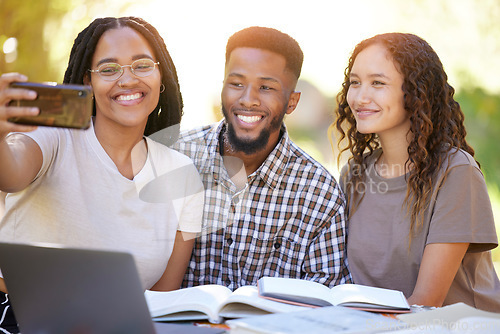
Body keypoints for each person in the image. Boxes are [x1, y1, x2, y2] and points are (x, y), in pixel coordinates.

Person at [0, 16, 203, 332]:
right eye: (109, 69)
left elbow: (163, 304)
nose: (128, 79)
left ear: (160, 75)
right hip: (18, 318)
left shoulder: (181, 175)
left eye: (142, 65)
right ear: (86, 83)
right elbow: (10, 173)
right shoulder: (53, 136)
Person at [172, 26, 351, 290]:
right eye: (236, 84)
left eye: (266, 87)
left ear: (292, 101)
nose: (248, 99)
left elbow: (325, 300)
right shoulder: (177, 157)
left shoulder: (319, 193)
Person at [334, 32, 500, 311]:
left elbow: (425, 303)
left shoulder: (456, 173)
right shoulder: (354, 174)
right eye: (355, 83)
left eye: (378, 83)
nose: (360, 96)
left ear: (415, 92)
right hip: (372, 325)